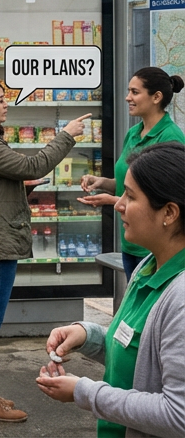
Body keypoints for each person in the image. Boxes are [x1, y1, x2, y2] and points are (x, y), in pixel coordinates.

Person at [0, 77, 89, 423]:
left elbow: (0, 183)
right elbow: (33, 165)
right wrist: (66, 134)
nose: (5, 104)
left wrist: (18, 187)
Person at [37, 142, 185, 438]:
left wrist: (85, 392)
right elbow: (141, 358)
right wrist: (87, 336)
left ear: (168, 212)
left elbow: (177, 414)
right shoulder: (148, 267)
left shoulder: (180, 297)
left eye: (130, 196)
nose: (118, 205)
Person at [79, 67, 185, 277]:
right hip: (132, 244)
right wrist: (101, 182)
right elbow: (131, 185)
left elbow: (168, 200)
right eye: (129, 91)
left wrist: (113, 202)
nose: (128, 97)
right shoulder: (133, 133)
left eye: (135, 92)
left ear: (156, 97)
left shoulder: (171, 138)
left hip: (156, 247)